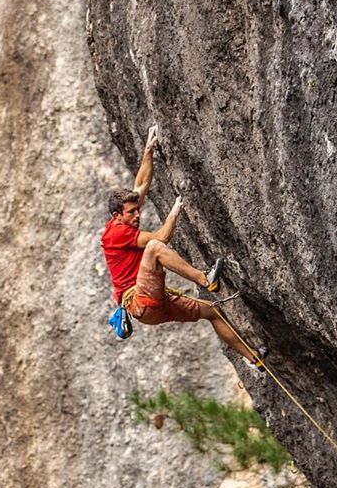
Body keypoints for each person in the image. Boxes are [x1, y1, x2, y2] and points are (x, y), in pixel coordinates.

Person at [101, 126, 264, 368]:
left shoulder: (123, 220)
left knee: (212, 312)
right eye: (131, 213)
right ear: (117, 215)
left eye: (137, 210)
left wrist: (149, 149)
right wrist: (176, 210)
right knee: (154, 248)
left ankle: (254, 359)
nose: (137, 215)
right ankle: (204, 279)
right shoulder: (117, 233)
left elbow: (141, 184)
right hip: (139, 299)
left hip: (153, 307)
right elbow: (161, 238)